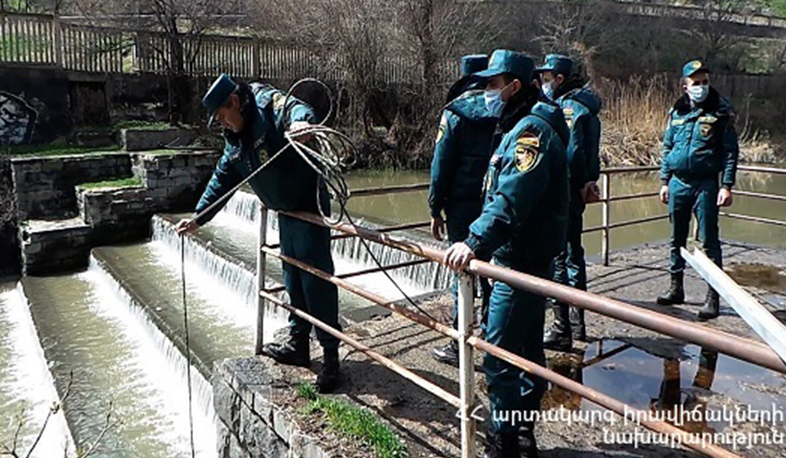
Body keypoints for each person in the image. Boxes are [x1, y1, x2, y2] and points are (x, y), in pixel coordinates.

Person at [175, 74, 342, 392]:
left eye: (223, 116)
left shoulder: (267, 105)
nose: (222, 123)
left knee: (316, 281)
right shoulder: (234, 140)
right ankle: (298, 344)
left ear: (234, 102)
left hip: (308, 207)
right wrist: (198, 219)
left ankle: (331, 357)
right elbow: (222, 181)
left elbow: (295, 107)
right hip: (285, 212)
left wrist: (302, 124)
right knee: (293, 279)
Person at [445, 49, 569, 458]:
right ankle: (523, 432)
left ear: (514, 87)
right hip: (522, 256)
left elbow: (512, 199)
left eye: (493, 85)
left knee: (497, 355)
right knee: (528, 351)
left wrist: (472, 241)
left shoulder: (532, 132)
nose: (487, 92)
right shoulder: (519, 124)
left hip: (520, 260)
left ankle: (505, 440)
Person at [429, 54, 496, 367]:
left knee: (461, 271)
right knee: (492, 274)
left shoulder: (455, 112)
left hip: (460, 207)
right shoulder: (503, 110)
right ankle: (492, 338)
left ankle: (460, 342)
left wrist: (435, 208)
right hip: (493, 206)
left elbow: (441, 165)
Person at [657, 60, 739, 320]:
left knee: (709, 241)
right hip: (678, 183)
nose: (701, 87)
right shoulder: (677, 112)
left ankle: (712, 297)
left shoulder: (720, 111)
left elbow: (730, 152)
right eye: (696, 83)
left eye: (705, 82)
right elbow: (667, 148)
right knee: (676, 239)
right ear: (685, 86)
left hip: (706, 184)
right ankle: (676, 288)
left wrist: (726, 185)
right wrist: (664, 181)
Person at [536, 54, 602, 351]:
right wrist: (588, 181)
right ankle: (578, 325)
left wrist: (567, 184)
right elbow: (590, 154)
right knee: (575, 256)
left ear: (559, 79)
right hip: (577, 192)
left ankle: (562, 328)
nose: (543, 83)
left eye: (547, 78)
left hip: (565, 193)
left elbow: (573, 153)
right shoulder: (585, 105)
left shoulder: (569, 108)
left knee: (561, 258)